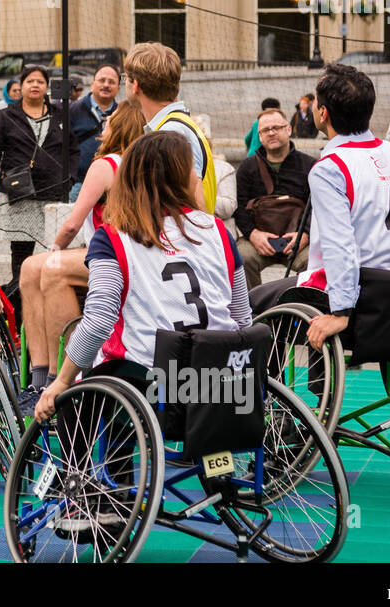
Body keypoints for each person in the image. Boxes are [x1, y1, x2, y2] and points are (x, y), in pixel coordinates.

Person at [34, 130, 254, 422]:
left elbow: (99, 320)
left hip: (153, 389)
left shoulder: (113, 238)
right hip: (223, 385)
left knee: (83, 384)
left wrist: (61, 381)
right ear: (178, 177)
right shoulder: (218, 231)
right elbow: (241, 317)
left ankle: (86, 465)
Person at [297, 64, 390, 351]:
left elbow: (339, 244)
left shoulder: (330, 168)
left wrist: (341, 311)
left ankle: (302, 393)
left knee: (262, 303)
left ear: (323, 112)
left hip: (364, 298)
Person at [16, 100, 144, 413]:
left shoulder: (108, 164)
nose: (105, 124)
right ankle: (41, 374)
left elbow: (73, 222)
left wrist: (55, 250)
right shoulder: (145, 164)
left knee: (44, 268)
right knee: (32, 268)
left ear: (119, 127)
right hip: (140, 254)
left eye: (111, 120)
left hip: (113, 255)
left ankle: (59, 375)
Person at [0, 64, 79, 288]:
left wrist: (69, 178)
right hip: (19, 196)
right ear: (20, 87)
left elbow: (73, 150)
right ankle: (19, 303)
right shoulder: (6, 116)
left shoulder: (60, 115)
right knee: (21, 257)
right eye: (30, 81)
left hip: (52, 194)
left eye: (40, 82)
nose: (35, 85)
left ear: (46, 87)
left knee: (52, 254)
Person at [123, 42, 217, 214]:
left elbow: (195, 203)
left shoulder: (173, 132)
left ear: (135, 85)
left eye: (126, 77)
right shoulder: (177, 125)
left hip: (185, 240)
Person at [233, 106, 313, 287]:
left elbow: (317, 207)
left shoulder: (309, 165)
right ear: (259, 136)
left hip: (298, 238)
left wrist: (305, 235)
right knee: (242, 257)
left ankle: (302, 308)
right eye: (265, 130)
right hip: (259, 238)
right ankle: (254, 309)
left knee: (313, 260)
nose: (271, 133)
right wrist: (253, 234)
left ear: (288, 129)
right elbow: (239, 206)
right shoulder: (247, 167)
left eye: (276, 128)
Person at [68, 64, 121, 190]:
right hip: (78, 184)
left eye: (111, 82)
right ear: (92, 85)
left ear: (118, 89)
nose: (106, 85)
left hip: (113, 185)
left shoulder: (122, 115)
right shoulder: (72, 110)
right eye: (102, 80)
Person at [193, 114, 237, 225]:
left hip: (218, 232)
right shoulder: (177, 169)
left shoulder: (223, 168)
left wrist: (195, 195)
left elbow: (229, 207)